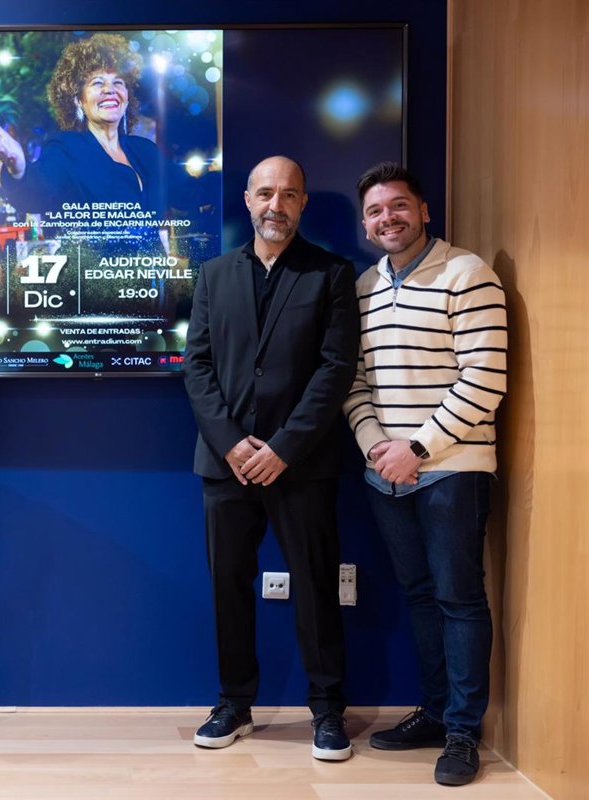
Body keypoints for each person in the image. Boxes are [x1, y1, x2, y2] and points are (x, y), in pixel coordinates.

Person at [182, 156, 358, 761]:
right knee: (228, 587)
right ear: (248, 200)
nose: (275, 205)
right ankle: (234, 703)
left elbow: (336, 370)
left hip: (301, 464)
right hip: (225, 463)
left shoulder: (332, 273)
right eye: (265, 193)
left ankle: (328, 710)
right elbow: (197, 367)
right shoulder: (213, 275)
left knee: (316, 586)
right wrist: (232, 442)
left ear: (303, 202)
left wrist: (283, 447)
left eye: (288, 194)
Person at [343, 162, 506, 787]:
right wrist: (376, 449)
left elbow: (485, 379)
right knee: (418, 595)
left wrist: (417, 448)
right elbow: (355, 383)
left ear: (423, 211)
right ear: (365, 225)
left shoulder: (467, 273)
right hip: (385, 473)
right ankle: (436, 713)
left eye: (399, 206)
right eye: (376, 211)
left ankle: (463, 732)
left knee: (459, 598)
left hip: (453, 471)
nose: (388, 218)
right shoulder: (364, 287)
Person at [0, 33, 171, 218]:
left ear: (127, 97)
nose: (110, 90)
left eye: (118, 82)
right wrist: (19, 171)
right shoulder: (65, 149)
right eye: (98, 83)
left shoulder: (146, 151)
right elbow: (39, 191)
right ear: (79, 100)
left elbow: (184, 193)